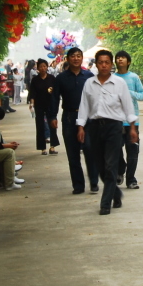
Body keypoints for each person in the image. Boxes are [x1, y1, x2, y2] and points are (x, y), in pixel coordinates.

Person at [76, 50, 137, 215]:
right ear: (96, 64)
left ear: (111, 65)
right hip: (94, 127)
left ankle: (105, 203)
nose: (104, 65)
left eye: (107, 62)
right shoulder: (89, 83)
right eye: (101, 62)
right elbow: (84, 106)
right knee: (99, 165)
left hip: (114, 127)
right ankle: (116, 193)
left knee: (111, 165)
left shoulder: (119, 83)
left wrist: (132, 126)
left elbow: (127, 105)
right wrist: (81, 126)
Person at [53, 47, 99, 194]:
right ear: (68, 58)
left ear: (82, 58)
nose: (76, 58)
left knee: (90, 150)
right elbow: (54, 99)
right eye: (73, 56)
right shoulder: (60, 78)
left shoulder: (89, 76)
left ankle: (94, 182)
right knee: (72, 154)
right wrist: (52, 116)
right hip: (69, 117)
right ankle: (78, 185)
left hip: (89, 119)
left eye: (79, 56)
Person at [113, 50, 143, 189]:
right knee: (115, 149)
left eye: (123, 58)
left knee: (133, 151)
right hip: (116, 120)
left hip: (132, 121)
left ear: (128, 61)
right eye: (118, 58)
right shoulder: (112, 78)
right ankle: (121, 169)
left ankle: (131, 179)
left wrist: (129, 92)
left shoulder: (133, 78)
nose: (120, 60)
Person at [29, 58, 60, 155]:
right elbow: (32, 93)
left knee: (52, 124)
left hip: (50, 105)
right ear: (37, 68)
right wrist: (32, 103)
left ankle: (52, 146)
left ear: (47, 67)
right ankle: (42, 148)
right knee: (40, 126)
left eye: (44, 66)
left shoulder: (51, 78)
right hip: (39, 105)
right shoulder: (35, 80)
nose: (43, 68)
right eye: (41, 67)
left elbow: (56, 92)